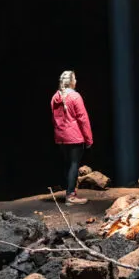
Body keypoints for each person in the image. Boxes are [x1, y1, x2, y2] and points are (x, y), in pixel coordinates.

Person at [51, 70, 93, 205]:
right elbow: (83, 119)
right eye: (75, 79)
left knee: (68, 164)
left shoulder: (55, 97)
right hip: (74, 136)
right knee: (74, 165)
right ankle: (71, 196)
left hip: (61, 136)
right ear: (71, 82)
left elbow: (54, 119)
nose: (76, 81)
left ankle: (69, 192)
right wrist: (89, 139)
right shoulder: (75, 96)